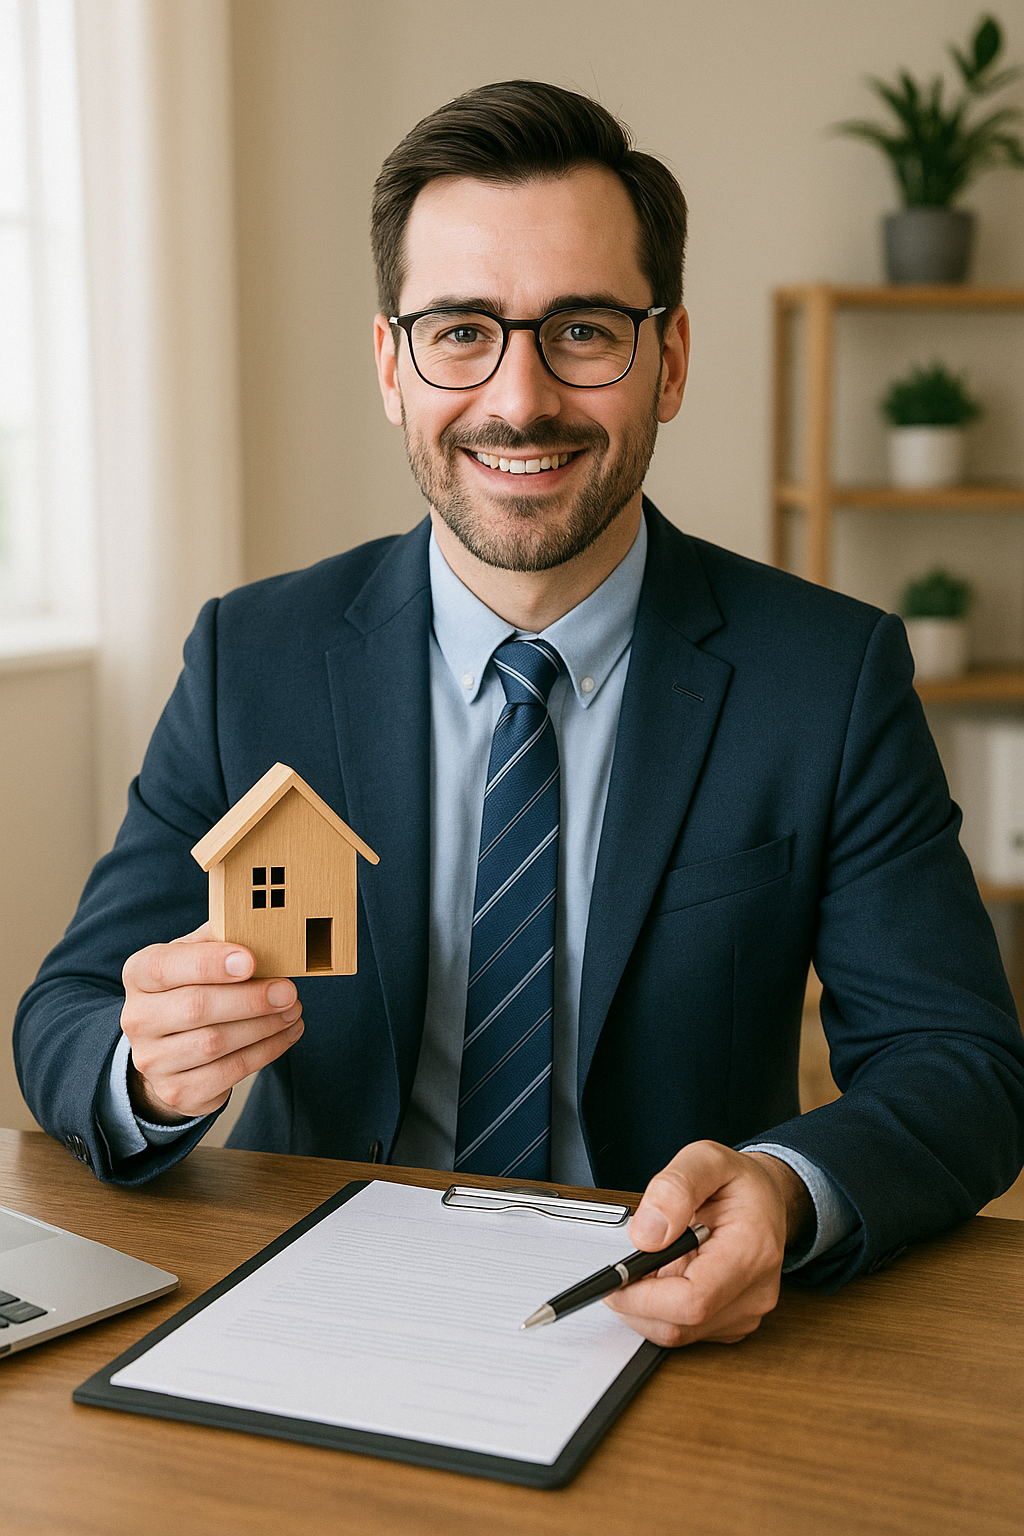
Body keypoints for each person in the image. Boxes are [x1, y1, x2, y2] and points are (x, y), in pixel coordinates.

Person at [15, 81, 1024, 1351]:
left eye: (584, 331)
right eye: (460, 331)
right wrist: (148, 1070)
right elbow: (61, 1016)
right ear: (392, 366)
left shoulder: (827, 676)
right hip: (308, 1297)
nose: (520, 398)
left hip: (660, 1318)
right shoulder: (250, 656)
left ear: (670, 360)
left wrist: (782, 1188)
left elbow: (962, 1066)